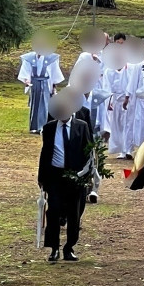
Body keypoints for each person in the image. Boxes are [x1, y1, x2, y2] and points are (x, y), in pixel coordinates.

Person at [38, 101, 92, 263]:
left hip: (76, 177)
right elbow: (45, 153)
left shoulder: (81, 127)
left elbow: (89, 151)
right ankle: (54, 248)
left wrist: (86, 176)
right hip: (55, 175)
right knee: (53, 211)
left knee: (74, 213)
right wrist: (41, 177)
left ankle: (69, 247)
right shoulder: (49, 128)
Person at [18, 49, 64, 133]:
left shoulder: (51, 58)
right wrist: (27, 80)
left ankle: (44, 127)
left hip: (46, 84)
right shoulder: (29, 58)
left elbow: (54, 73)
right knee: (35, 105)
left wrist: (53, 86)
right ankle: (34, 127)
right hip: (34, 84)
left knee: (45, 105)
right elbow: (26, 71)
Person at [103, 57, 131, 159]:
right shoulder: (109, 71)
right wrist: (109, 102)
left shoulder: (128, 69)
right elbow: (107, 88)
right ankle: (121, 149)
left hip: (127, 100)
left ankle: (127, 149)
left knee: (127, 125)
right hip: (115, 101)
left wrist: (128, 98)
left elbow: (131, 85)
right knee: (117, 125)